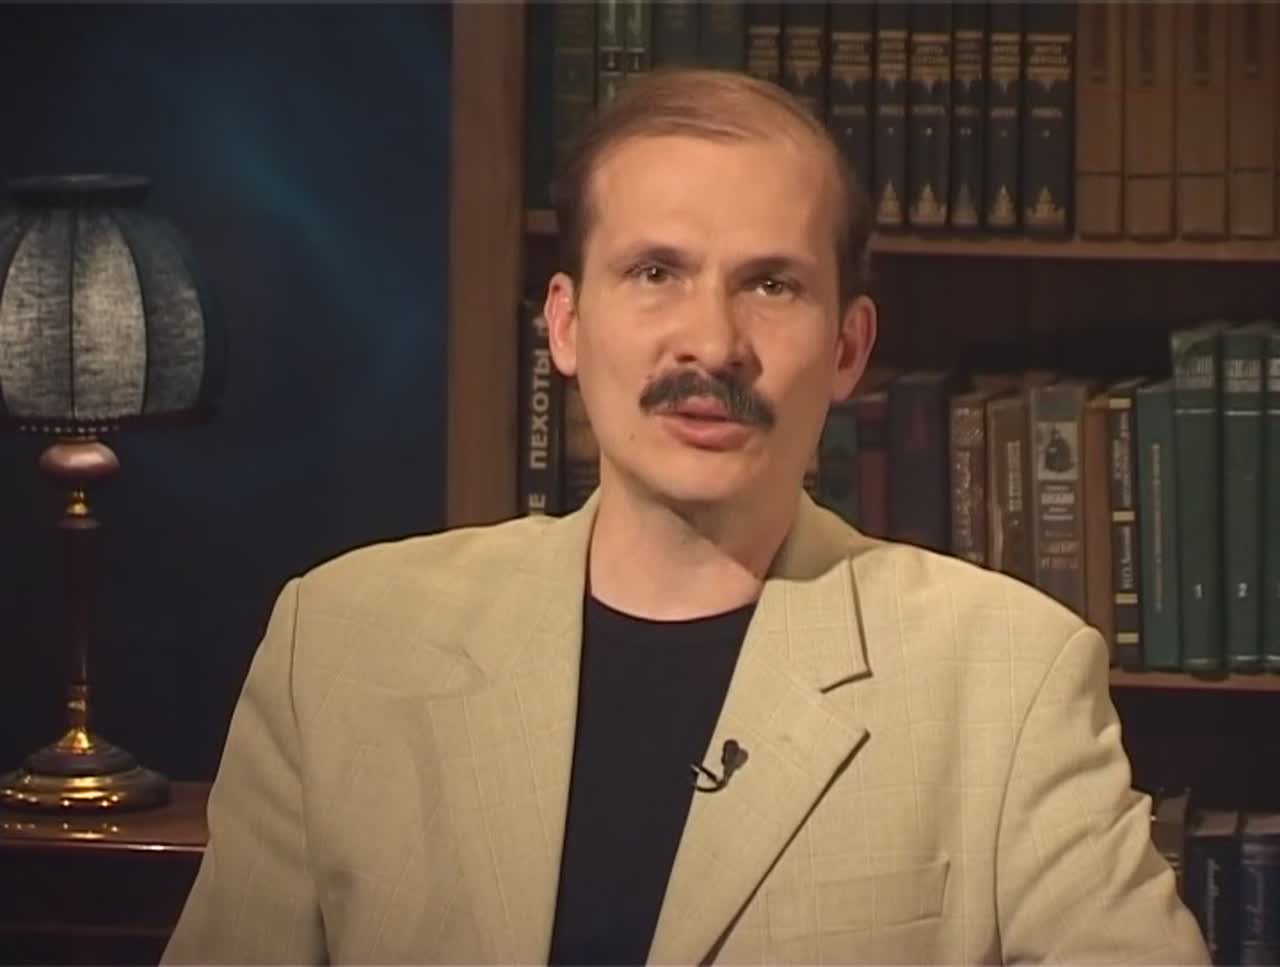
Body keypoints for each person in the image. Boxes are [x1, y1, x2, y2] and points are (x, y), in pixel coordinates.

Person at [164, 67, 1209, 965]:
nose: (710, 343)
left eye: (771, 285)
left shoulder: (1006, 677)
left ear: (848, 347)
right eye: (656, 272)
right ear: (566, 324)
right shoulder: (338, 644)